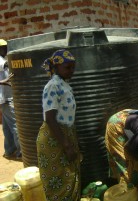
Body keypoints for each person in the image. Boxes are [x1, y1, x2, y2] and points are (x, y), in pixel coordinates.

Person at [36, 49, 81, 201]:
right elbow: (50, 118)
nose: (71, 71)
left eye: (73, 67)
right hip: (54, 138)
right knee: (59, 179)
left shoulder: (63, 84)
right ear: (56, 68)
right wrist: (67, 145)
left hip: (64, 135)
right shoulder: (52, 86)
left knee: (69, 174)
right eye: (67, 67)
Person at [0, 39, 21, 160]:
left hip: (5, 98)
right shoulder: (1, 61)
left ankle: (9, 150)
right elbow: (9, 65)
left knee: (7, 126)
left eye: (5, 47)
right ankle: (21, 152)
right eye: (3, 48)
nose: (5, 50)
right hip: (6, 98)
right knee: (16, 124)